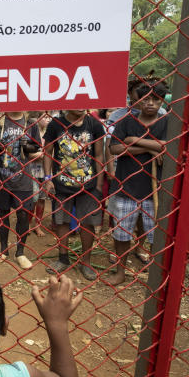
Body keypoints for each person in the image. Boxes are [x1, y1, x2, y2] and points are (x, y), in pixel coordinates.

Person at [107, 82, 168, 285]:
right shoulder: (127, 121)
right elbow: (115, 148)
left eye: (156, 99)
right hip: (126, 187)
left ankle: (156, 274)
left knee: (156, 236)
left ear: (161, 101)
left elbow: (168, 147)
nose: (150, 103)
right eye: (146, 99)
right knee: (121, 233)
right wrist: (151, 149)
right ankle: (120, 271)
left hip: (156, 190)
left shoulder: (167, 122)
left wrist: (134, 140)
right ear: (138, 101)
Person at [42, 108, 106, 280]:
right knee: (61, 221)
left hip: (89, 185)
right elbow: (47, 152)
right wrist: (48, 178)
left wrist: (99, 184)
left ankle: (86, 261)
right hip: (61, 185)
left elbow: (99, 154)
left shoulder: (94, 124)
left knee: (88, 224)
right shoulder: (56, 124)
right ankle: (63, 258)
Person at [0, 111, 42, 270]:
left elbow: (36, 146)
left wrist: (26, 145)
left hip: (23, 178)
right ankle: (3, 250)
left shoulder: (30, 121)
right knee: (3, 213)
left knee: (23, 214)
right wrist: (0, 145)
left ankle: (20, 252)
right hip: (1, 177)